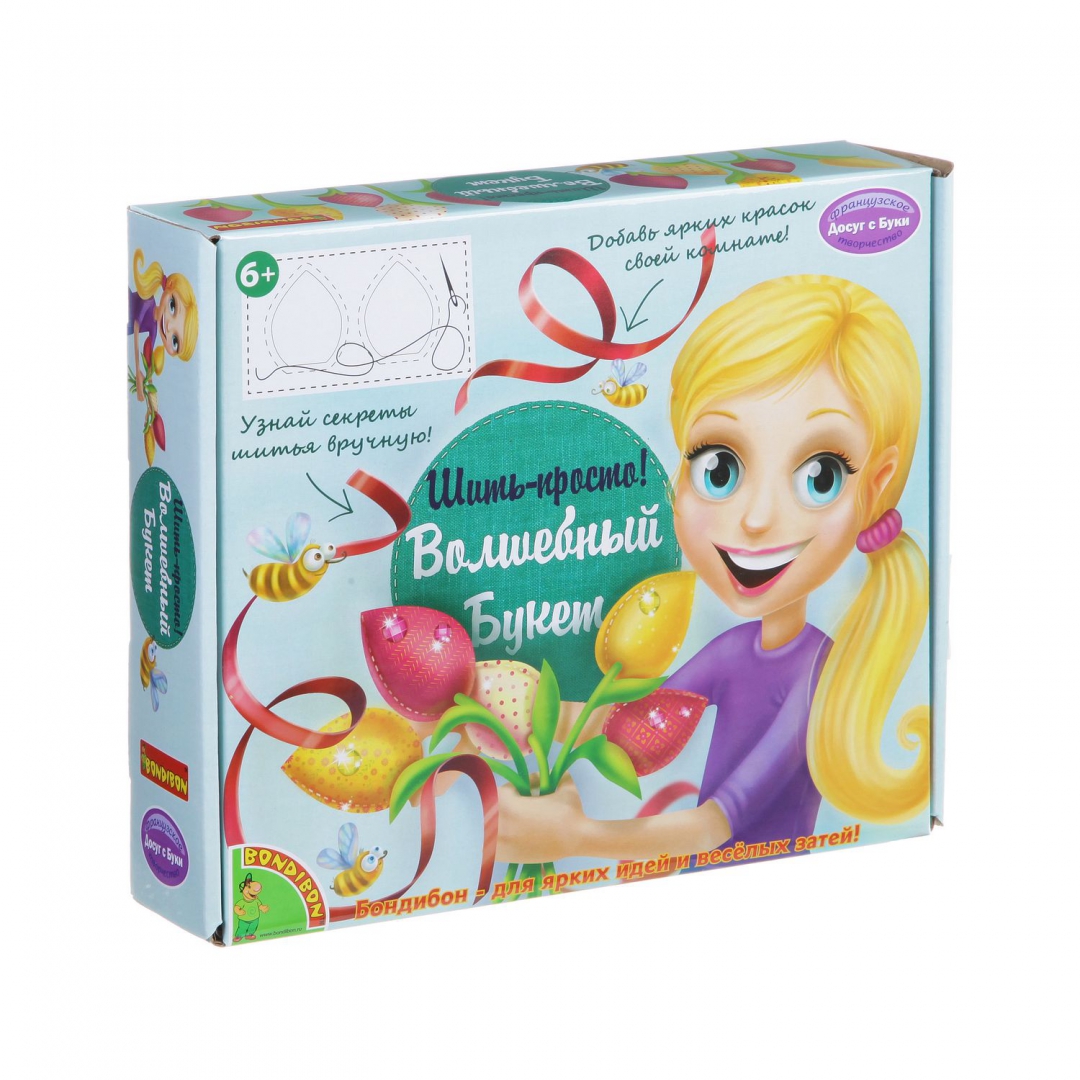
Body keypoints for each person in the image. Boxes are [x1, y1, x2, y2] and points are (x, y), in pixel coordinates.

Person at [496, 274, 930, 864]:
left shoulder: (814, 678)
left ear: (875, 487)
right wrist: (521, 715)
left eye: (820, 477)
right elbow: (630, 719)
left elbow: (713, 825)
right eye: (720, 468)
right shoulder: (734, 649)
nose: (756, 519)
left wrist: (576, 837)